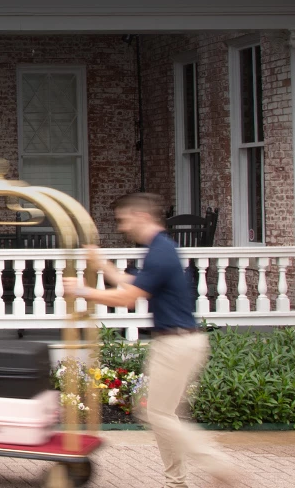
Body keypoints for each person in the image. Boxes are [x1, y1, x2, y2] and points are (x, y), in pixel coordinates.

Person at [62, 193, 243, 488]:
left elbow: (129, 298)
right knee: (164, 415)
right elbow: (134, 284)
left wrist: (83, 291)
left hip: (176, 344)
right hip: (179, 342)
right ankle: (176, 482)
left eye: (123, 220)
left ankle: (218, 463)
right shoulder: (160, 249)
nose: (122, 227)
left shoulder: (160, 251)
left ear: (141, 216)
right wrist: (101, 263)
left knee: (155, 413)